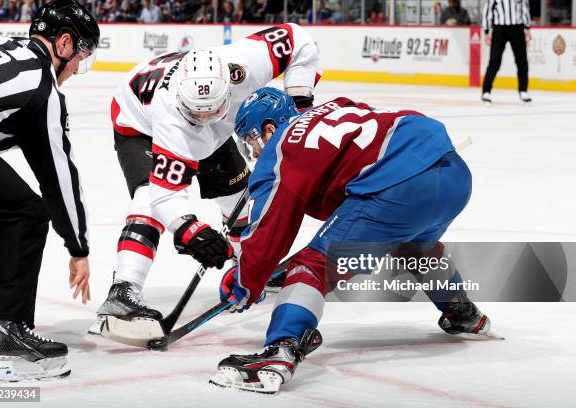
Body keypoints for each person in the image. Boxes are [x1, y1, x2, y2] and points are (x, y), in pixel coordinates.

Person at [211, 87, 491, 394]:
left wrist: (247, 282)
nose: (252, 153)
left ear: (268, 129)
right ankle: (461, 311)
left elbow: (268, 232)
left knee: (312, 266)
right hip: (452, 173)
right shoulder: (336, 107)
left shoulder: (280, 146)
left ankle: (282, 348)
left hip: (399, 189)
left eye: (250, 141)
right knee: (413, 246)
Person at [94, 24, 321, 340]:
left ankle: (251, 267)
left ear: (230, 86)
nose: (203, 119)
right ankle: (124, 290)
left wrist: (299, 103)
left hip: (217, 124)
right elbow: (165, 192)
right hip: (139, 123)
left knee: (238, 195)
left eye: (210, 111)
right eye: (196, 114)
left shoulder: (245, 63)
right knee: (147, 198)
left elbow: (300, 39)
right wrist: (190, 231)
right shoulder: (173, 120)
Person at [0, 0, 99, 383]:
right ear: (65, 44)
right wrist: (79, 248)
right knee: (27, 214)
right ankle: (11, 330)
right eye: (81, 57)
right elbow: (58, 179)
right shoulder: (42, 88)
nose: (76, 69)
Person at [481, 0, 532, 104]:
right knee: (494, 61)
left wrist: (527, 28)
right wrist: (486, 31)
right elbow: (488, 10)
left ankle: (523, 91)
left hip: (517, 28)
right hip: (499, 28)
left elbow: (525, 9)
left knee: (522, 62)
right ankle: (486, 91)